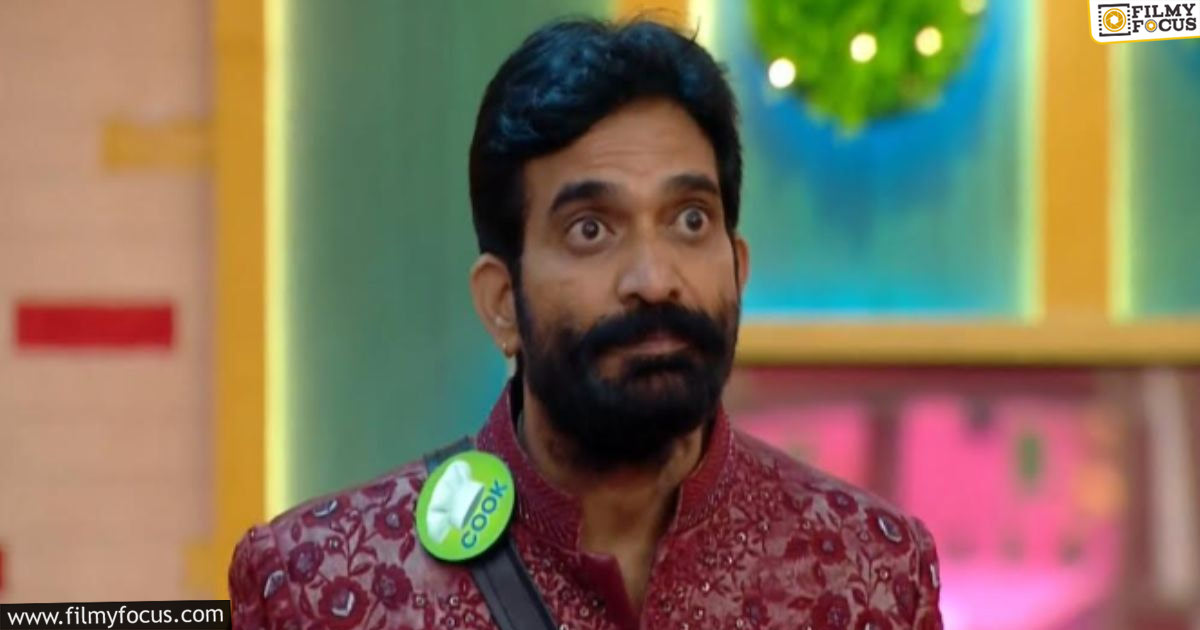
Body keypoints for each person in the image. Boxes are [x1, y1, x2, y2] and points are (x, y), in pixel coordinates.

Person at [229, 18, 943, 630]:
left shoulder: (868, 574)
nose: (654, 278)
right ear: (502, 301)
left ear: (738, 267)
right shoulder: (318, 587)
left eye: (691, 220)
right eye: (591, 229)